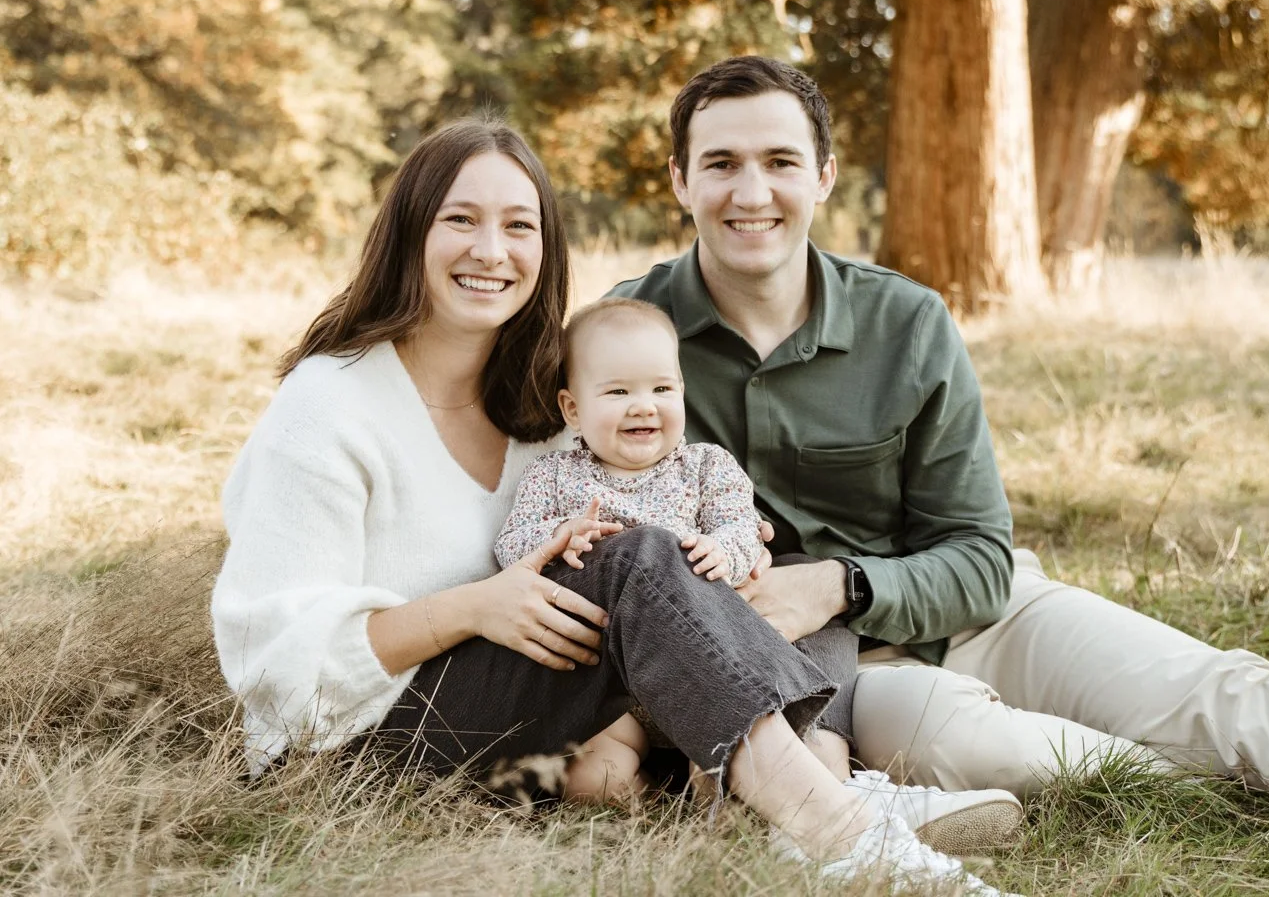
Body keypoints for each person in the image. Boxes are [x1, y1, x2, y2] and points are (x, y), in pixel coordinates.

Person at [611, 55, 1269, 838]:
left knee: (1217, 690)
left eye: (780, 162)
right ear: (681, 181)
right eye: (721, 164)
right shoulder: (623, 339)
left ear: (825, 177)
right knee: (991, 750)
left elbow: (979, 558)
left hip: (964, 612)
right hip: (814, 670)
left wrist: (841, 583)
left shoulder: (906, 322)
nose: (751, 193)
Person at [209, 116, 1017, 896]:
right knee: (635, 558)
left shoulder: (538, 406)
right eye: (461, 219)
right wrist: (470, 608)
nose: (491, 250)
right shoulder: (329, 406)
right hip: (358, 745)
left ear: (546, 251)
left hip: (519, 705)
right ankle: (845, 833)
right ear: (409, 232)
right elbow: (273, 665)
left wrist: (729, 555)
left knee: (783, 574)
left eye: (519, 226)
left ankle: (817, 787)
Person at [493, 296, 865, 807]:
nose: (643, 405)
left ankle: (737, 778)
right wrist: (560, 536)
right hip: (610, 684)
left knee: (729, 756)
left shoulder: (705, 466)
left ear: (683, 393)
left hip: (707, 673)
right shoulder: (553, 476)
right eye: (618, 391)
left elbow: (743, 527)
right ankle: (658, 803)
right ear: (573, 409)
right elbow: (510, 545)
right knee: (593, 780)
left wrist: (724, 550)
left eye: (662, 389)